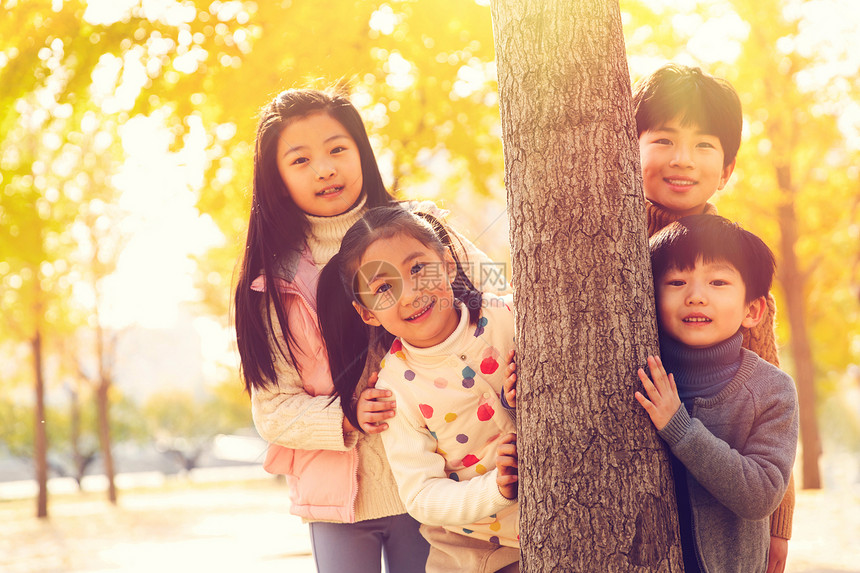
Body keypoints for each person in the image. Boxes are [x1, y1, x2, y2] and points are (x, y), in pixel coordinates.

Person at [233, 88, 497, 572]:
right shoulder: (272, 284)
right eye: (301, 160)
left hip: (438, 481)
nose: (325, 169)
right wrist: (346, 415)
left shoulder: (425, 230)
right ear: (277, 178)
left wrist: (513, 361)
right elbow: (272, 411)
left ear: (361, 152)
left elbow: (502, 294)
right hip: (339, 501)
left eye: (337, 149)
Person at [632, 63, 794, 572]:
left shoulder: (737, 264)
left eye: (704, 145)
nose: (683, 160)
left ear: (726, 169)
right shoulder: (604, 242)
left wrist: (779, 530)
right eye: (663, 140)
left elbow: (767, 404)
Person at [318, 206, 521, 573]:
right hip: (469, 548)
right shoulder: (395, 388)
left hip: (556, 521)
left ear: (447, 265)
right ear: (366, 314)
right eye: (383, 288)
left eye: (417, 269)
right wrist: (496, 489)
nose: (409, 294)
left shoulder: (508, 317)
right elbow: (422, 493)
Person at [635, 215, 799, 573]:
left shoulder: (771, 389)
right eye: (677, 281)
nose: (696, 296)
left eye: (718, 282)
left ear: (752, 310)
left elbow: (761, 494)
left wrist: (678, 426)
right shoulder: (636, 372)